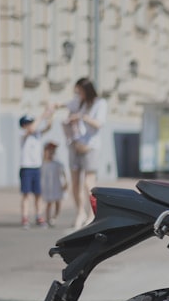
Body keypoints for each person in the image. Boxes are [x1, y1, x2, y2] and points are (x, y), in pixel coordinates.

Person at [64, 77, 107, 228]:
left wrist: (82, 117)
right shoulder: (78, 102)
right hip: (75, 144)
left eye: (79, 91)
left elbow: (99, 124)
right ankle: (80, 212)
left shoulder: (99, 103)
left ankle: (92, 214)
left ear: (87, 90)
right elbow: (64, 105)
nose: (77, 94)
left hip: (91, 146)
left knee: (88, 182)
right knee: (74, 182)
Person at [18, 105, 54, 228]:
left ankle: (39, 216)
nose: (30, 125)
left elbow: (48, 127)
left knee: (38, 194)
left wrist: (50, 115)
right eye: (27, 123)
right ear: (23, 125)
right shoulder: (22, 133)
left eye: (30, 123)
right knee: (26, 194)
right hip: (26, 167)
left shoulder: (37, 134)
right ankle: (25, 217)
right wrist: (43, 115)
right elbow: (32, 129)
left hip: (36, 167)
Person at [41, 141, 68, 227]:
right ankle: (48, 218)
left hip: (57, 186)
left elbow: (64, 173)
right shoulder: (43, 164)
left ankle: (54, 217)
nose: (51, 152)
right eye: (49, 150)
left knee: (57, 202)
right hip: (48, 187)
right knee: (49, 203)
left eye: (53, 150)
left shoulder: (58, 163)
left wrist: (66, 183)